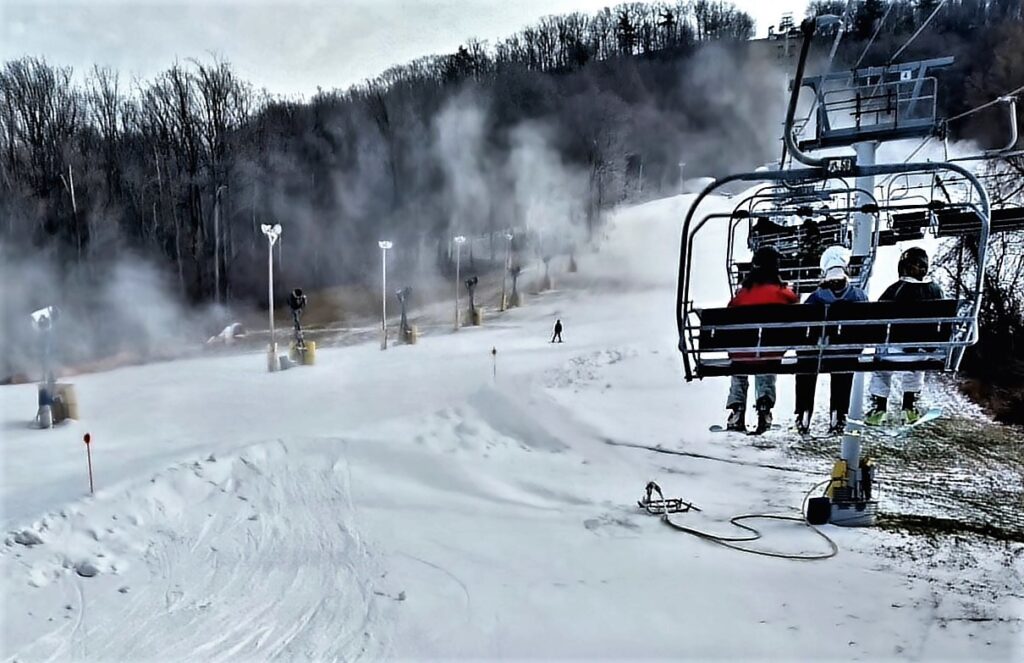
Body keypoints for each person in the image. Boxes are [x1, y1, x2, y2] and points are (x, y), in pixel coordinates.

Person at [794, 246, 868, 435]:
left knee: (806, 363)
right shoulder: (859, 297)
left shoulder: (814, 299)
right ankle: (839, 413)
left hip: (815, 357)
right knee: (845, 363)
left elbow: (802, 332)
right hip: (845, 356)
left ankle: (803, 411)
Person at [865, 246, 943, 425]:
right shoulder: (936, 291)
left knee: (882, 366)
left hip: (894, 352)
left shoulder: (896, 289)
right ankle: (908, 407)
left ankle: (879, 408)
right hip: (921, 353)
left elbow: (877, 317)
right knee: (916, 367)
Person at [725, 246, 798, 434]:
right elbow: (796, 307)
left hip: (742, 355)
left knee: (740, 358)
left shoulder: (743, 294)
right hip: (769, 354)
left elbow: (729, 314)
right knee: (767, 355)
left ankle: (737, 409)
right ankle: (764, 406)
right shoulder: (782, 293)